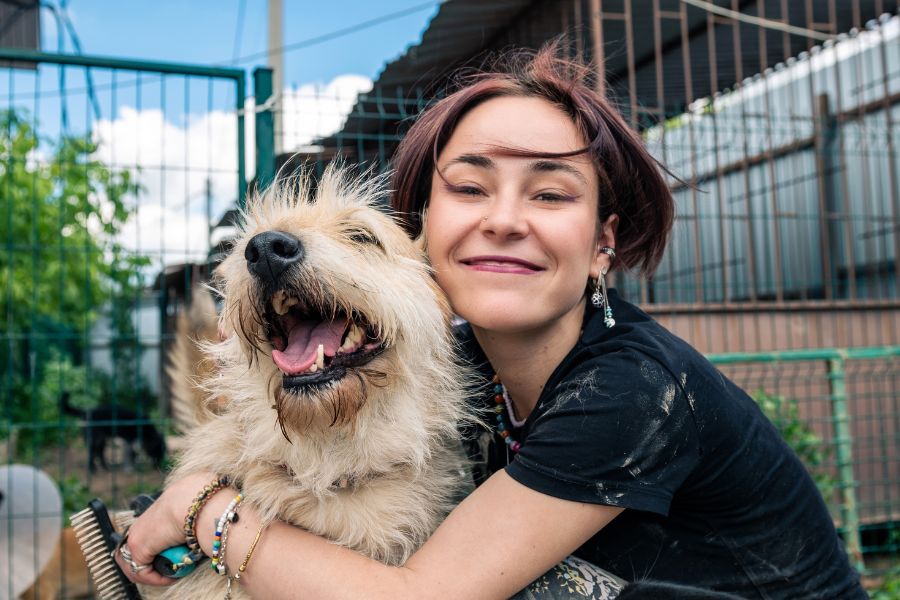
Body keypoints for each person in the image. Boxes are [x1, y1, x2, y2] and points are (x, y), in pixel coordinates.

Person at [119, 42, 866, 599]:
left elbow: (427, 595)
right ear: (427, 236)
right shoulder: (461, 364)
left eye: (549, 194)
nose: (504, 221)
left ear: (603, 244)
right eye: (471, 188)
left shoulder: (634, 390)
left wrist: (202, 508)